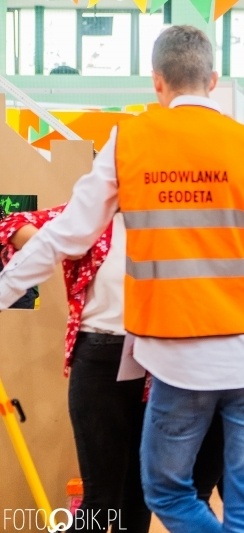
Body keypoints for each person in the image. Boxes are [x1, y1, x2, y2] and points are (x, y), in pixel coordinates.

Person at [0, 26, 244, 531]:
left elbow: (64, 239)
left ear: (157, 82)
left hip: (177, 353)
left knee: (165, 491)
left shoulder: (130, 142)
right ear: (213, 79)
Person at [0, 208, 152, 533]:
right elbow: (10, 224)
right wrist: (56, 245)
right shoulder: (89, 212)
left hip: (156, 360)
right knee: (102, 496)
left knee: (140, 489)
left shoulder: (173, 216)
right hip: (98, 353)